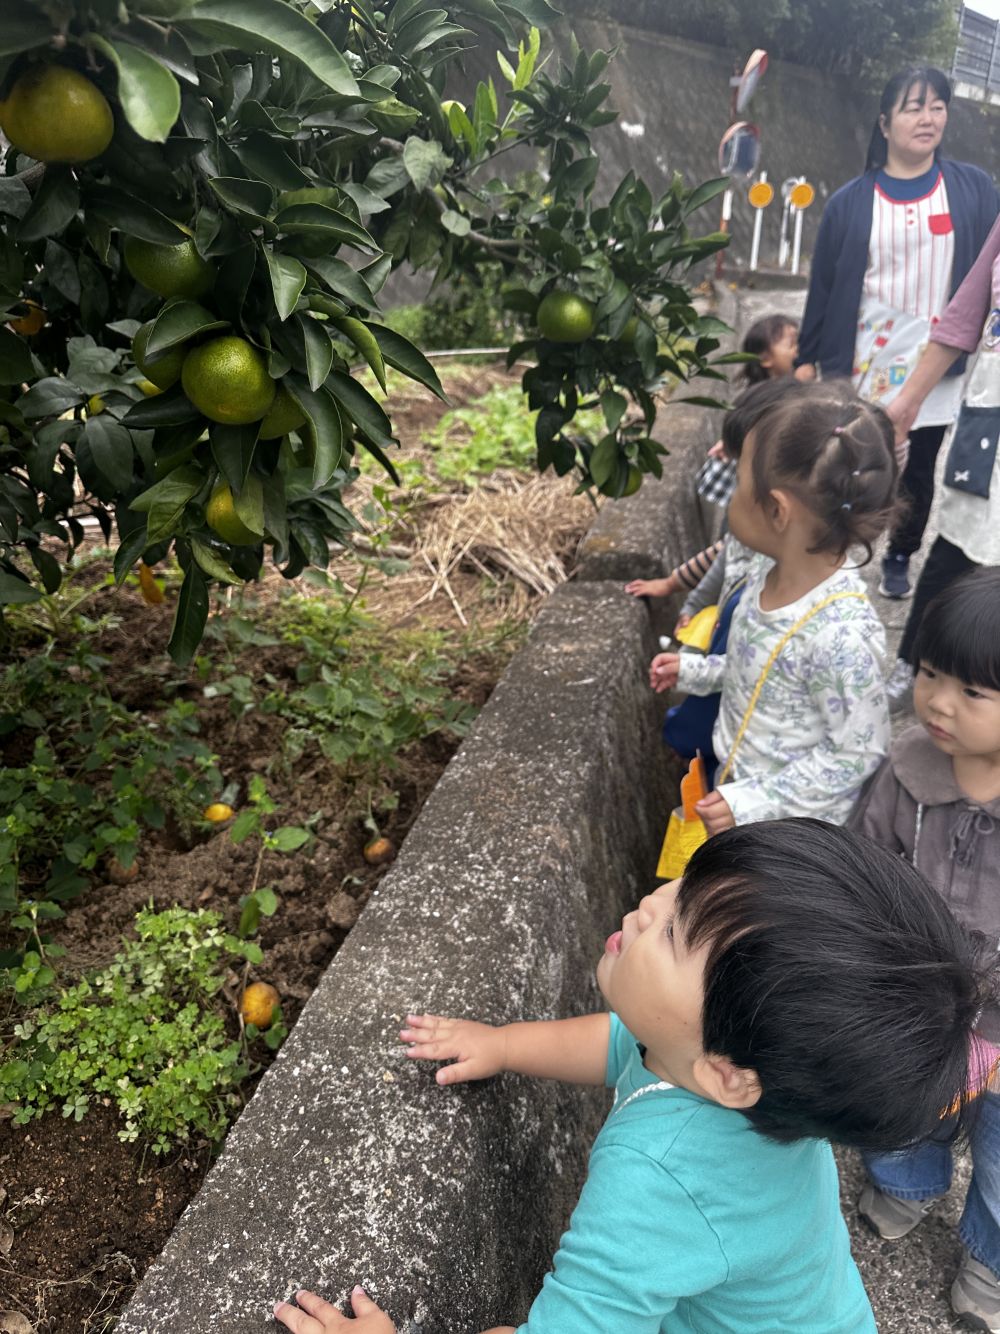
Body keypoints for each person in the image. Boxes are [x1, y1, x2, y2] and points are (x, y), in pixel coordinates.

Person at [273, 821, 995, 1334]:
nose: (654, 904)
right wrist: (503, 1044)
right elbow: (618, 1043)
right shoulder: (733, 1073)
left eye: (679, 931)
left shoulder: (659, 1180)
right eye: (688, 889)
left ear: (729, 1075)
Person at [849, 568, 1000, 1330]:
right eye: (930, 672)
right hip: (911, 1006)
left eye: (973, 692)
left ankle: (991, 1262)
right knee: (904, 1109)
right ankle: (905, 1183)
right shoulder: (905, 773)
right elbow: (864, 863)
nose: (938, 701)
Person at [649, 382, 896, 832]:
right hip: (736, 788)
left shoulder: (839, 635)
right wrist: (694, 673)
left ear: (778, 511)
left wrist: (756, 800)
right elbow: (756, 667)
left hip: (790, 828)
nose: (732, 497)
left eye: (741, 482)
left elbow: (859, 750)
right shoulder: (765, 577)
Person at [796, 66, 999, 604]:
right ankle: (834, 550)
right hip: (860, 362)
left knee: (919, 471)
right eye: (913, 107)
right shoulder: (849, 202)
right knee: (847, 466)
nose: (927, 118)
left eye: (936, 106)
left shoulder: (974, 189)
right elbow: (825, 285)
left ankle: (900, 555)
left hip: (935, 366)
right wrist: (806, 358)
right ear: (885, 123)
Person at [882, 211, 1000, 705]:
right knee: (956, 547)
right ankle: (913, 668)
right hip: (992, 414)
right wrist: (906, 403)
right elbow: (965, 316)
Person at [626, 314, 801, 607]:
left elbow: (724, 552)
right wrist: (685, 597)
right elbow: (724, 553)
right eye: (792, 343)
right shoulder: (760, 537)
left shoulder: (779, 553)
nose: (799, 350)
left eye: (741, 480)